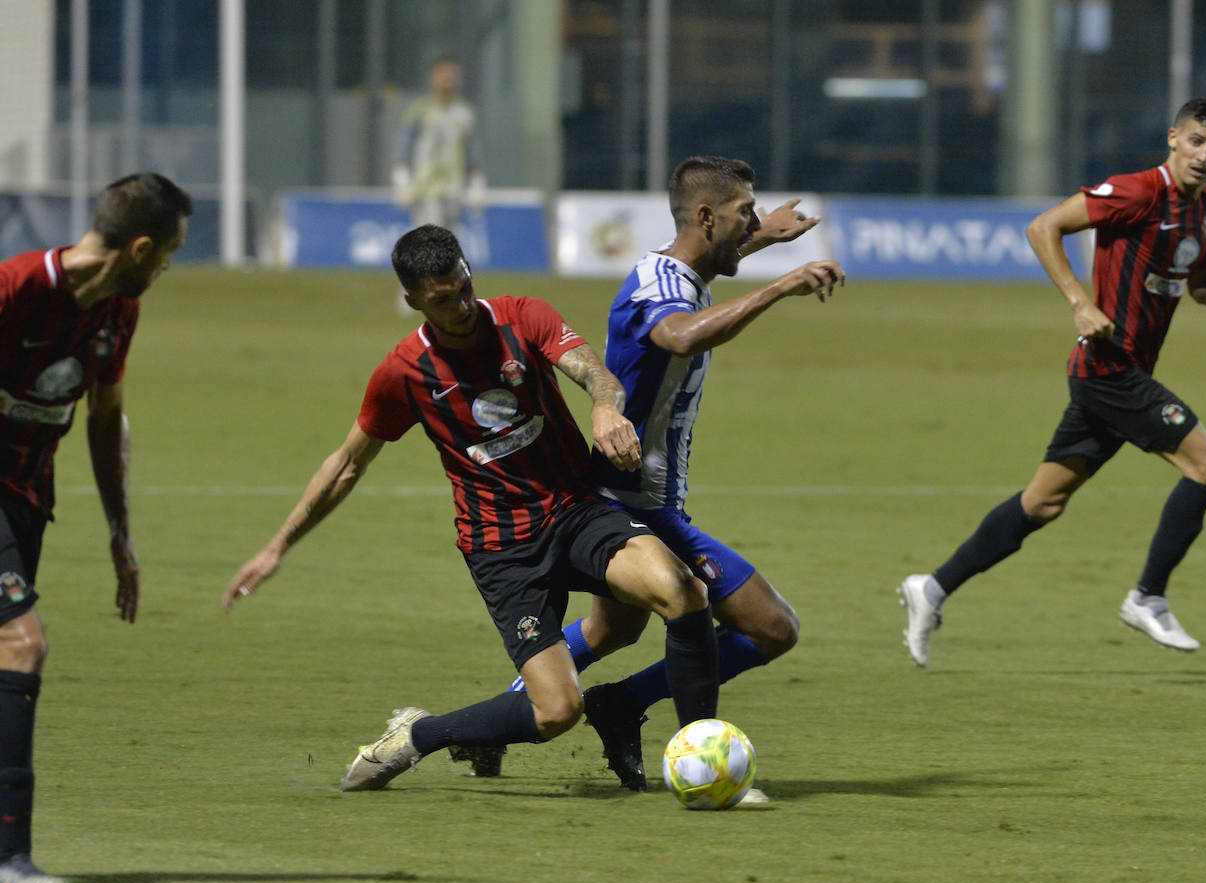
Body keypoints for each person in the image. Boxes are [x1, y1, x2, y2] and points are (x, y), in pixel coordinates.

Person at [222, 224, 722, 793]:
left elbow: (596, 374)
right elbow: (346, 465)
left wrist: (605, 411)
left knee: (682, 593)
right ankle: (419, 735)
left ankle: (703, 763)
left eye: (464, 287)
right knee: (558, 711)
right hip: (502, 547)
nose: (462, 305)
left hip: (576, 509)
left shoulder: (522, 316)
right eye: (442, 300)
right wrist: (277, 546)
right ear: (412, 301)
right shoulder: (402, 374)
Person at [485, 156, 843, 792]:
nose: (753, 219)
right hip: (630, 503)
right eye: (743, 213)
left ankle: (548, 714)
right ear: (706, 217)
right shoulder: (660, 285)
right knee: (770, 626)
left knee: (610, 627)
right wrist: (779, 285)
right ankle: (661, 740)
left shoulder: (683, 270)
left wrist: (763, 236)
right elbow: (679, 336)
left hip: (646, 499)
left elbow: (707, 269)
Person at [899, 98, 1206, 667]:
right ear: (1173, 138)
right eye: (1196, 141)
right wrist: (1079, 302)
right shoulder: (1136, 191)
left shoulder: (1205, 207)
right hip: (1107, 370)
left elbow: (1198, 282)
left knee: (1043, 503)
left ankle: (933, 588)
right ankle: (1147, 597)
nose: (1204, 154)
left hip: (1126, 375)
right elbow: (1043, 226)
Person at [0, 173, 191, 883]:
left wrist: (121, 533)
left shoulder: (118, 312)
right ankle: (10, 857)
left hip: (26, 499)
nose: (167, 268)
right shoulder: (15, 289)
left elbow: (106, 416)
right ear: (138, 246)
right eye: (168, 253)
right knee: (23, 643)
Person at [392, 56, 485, 233]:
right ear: (433, 77)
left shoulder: (465, 113)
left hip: (453, 188)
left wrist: (476, 181)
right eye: (443, 74)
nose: (447, 79)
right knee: (429, 238)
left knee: (449, 240)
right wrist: (401, 178)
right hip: (425, 188)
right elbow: (404, 145)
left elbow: (472, 150)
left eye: (452, 74)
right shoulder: (419, 111)